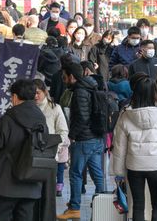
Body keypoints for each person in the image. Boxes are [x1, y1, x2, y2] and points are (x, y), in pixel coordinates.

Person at [112, 73, 157, 221]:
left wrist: (118, 172)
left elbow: (119, 146)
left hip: (134, 167)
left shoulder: (125, 115)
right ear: (154, 92)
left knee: (137, 205)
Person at [0, 79, 46, 221]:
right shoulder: (41, 119)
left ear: (15, 97)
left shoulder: (9, 118)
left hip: (5, 185)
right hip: (32, 183)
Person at [56, 62, 104, 220]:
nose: (63, 80)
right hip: (97, 137)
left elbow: (82, 117)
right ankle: (103, 204)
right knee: (97, 174)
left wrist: (72, 135)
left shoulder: (80, 92)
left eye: (64, 77)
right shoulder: (93, 85)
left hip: (84, 139)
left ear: (71, 77)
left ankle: (74, 208)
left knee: (76, 174)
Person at [33, 79, 69, 197]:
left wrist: (55, 148)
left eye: (38, 92)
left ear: (44, 92)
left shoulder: (55, 108)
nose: (35, 96)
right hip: (31, 156)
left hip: (49, 155)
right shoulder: (28, 108)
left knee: (46, 193)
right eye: (33, 93)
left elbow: (63, 132)